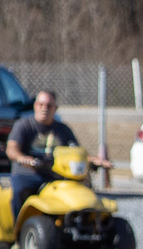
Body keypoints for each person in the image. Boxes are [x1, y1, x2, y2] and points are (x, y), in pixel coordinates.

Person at [6, 90, 112, 223]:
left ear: (55, 108)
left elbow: (76, 152)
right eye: (41, 104)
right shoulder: (24, 125)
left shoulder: (63, 129)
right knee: (19, 191)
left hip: (55, 175)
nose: (44, 108)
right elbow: (12, 149)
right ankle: (18, 229)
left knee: (79, 192)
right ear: (35, 106)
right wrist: (22, 158)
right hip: (28, 174)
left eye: (49, 105)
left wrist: (96, 160)